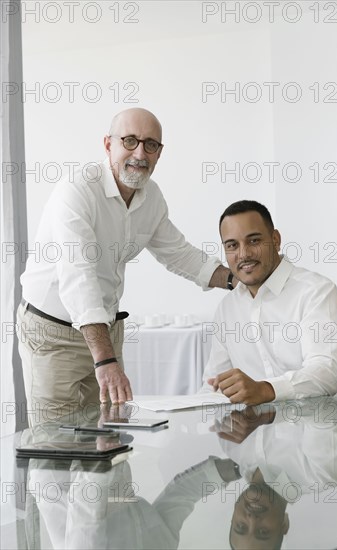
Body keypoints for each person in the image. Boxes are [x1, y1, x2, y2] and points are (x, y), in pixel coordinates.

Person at [17, 108, 231, 424]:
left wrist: (235, 279)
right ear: (108, 145)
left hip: (105, 330)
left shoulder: (152, 197)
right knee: (56, 446)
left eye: (150, 144)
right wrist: (106, 361)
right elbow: (79, 276)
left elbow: (178, 253)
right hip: (53, 334)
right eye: (129, 141)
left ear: (160, 152)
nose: (139, 153)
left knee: (102, 441)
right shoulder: (76, 190)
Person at [201, 200, 337, 404]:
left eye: (254, 241)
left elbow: (326, 372)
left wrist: (264, 389)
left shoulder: (316, 292)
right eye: (232, 245)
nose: (243, 254)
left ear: (276, 240)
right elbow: (214, 385)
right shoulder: (227, 308)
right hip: (268, 428)